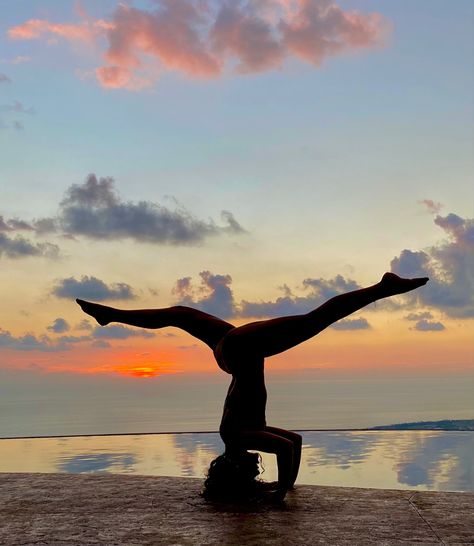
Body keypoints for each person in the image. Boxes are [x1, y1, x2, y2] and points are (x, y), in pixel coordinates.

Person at [76, 272, 428, 501]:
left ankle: (382, 288)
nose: (257, 466)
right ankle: (112, 315)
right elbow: (295, 441)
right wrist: (282, 487)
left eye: (252, 470)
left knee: (314, 320)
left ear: (240, 468)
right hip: (236, 355)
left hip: (240, 352)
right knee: (180, 314)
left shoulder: (238, 437)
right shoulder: (247, 433)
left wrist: (282, 490)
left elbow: (286, 451)